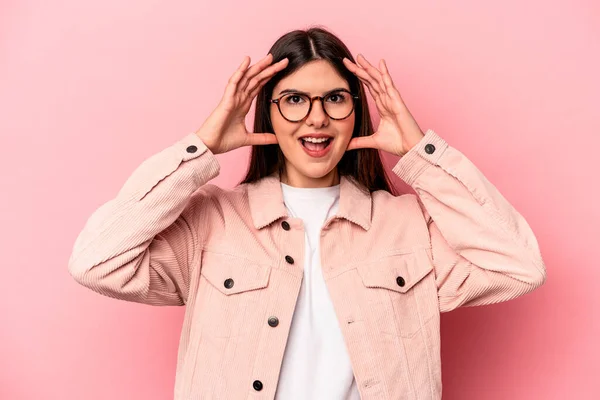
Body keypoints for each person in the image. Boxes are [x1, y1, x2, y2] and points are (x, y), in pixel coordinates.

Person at [68, 27, 547, 400]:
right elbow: (96, 262)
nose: (315, 118)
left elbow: (519, 265)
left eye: (335, 99)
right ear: (268, 113)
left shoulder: (407, 225)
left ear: (357, 110)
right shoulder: (211, 223)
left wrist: (422, 154)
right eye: (294, 99)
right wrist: (200, 149)